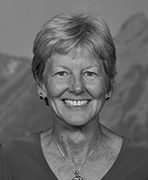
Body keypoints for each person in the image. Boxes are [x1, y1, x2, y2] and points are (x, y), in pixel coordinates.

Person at [0, 12, 148, 180]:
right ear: (41, 86)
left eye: (90, 73)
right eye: (62, 73)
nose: (77, 87)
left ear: (109, 86)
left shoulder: (142, 164)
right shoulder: (10, 160)